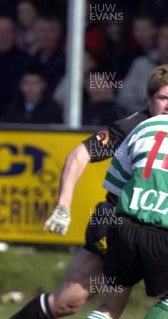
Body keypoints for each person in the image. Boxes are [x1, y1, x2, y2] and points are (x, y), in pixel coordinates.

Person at [10, 64, 168, 319]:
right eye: (163, 98)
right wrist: (63, 205)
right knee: (68, 302)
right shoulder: (133, 127)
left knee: (92, 307)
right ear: (148, 100)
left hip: (131, 228)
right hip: (119, 221)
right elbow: (79, 154)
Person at [85, 114, 168, 319]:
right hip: (164, 232)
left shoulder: (147, 125)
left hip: (125, 228)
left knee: (108, 309)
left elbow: (116, 183)